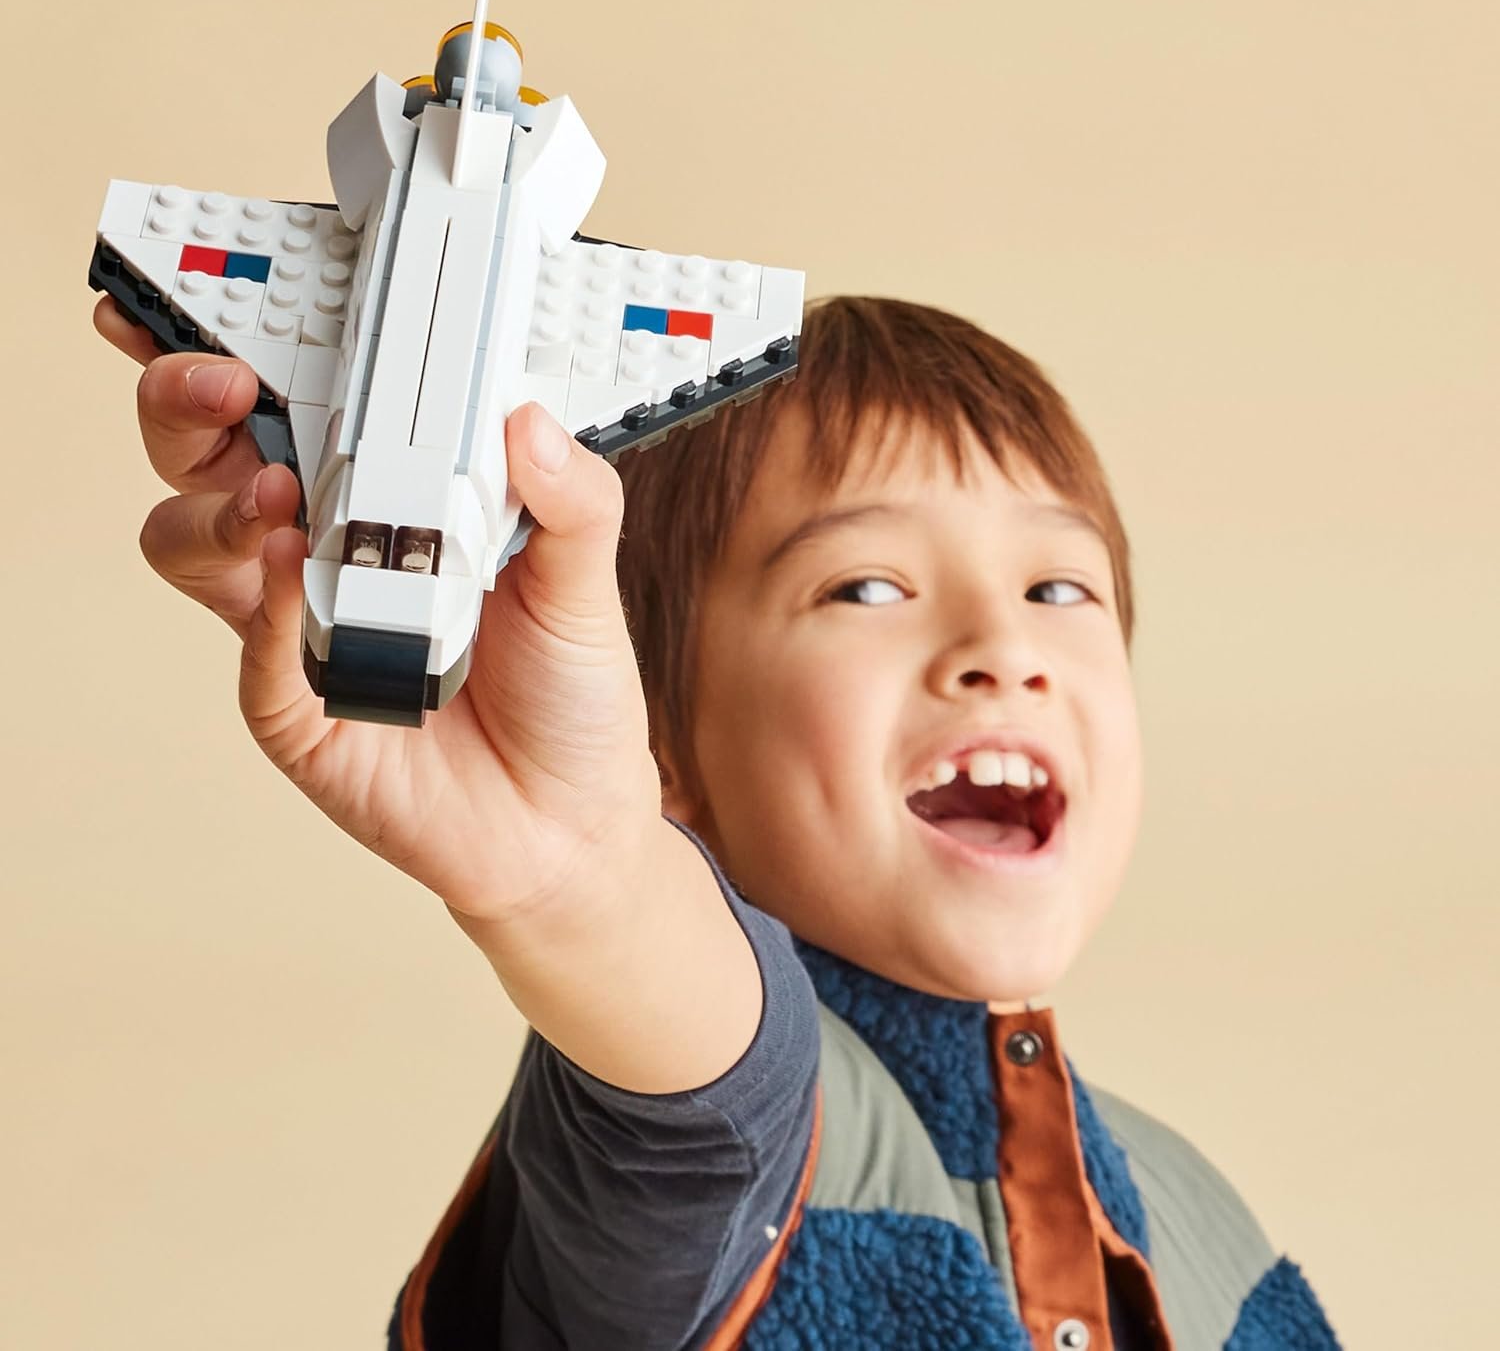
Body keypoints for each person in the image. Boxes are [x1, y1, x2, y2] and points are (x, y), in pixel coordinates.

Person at [93, 291, 1342, 1350]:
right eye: (867, 585)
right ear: (661, 744)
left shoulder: (1200, 1217)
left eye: (1059, 585)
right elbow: (682, 1023)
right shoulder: (712, 1122)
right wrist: (572, 873)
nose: (1000, 649)